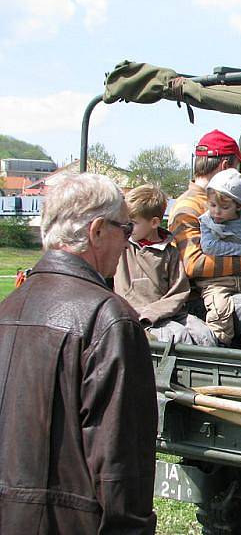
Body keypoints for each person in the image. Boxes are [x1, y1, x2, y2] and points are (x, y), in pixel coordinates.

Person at [0, 173, 157, 533]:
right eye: (125, 229)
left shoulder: (7, 308)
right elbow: (121, 469)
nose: (128, 243)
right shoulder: (109, 319)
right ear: (98, 230)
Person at [169, 129, 241, 353]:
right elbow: (193, 264)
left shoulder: (232, 203)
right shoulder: (188, 209)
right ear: (225, 167)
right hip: (208, 298)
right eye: (237, 167)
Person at [114, 183, 216, 346]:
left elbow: (179, 291)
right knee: (178, 336)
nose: (128, 228)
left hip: (168, 314)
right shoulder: (122, 247)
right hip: (137, 317)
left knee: (205, 335)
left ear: (154, 223)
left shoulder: (170, 252)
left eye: (132, 223)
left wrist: (158, 311)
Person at [197, 168, 241, 345]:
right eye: (213, 205)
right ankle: (218, 350)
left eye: (224, 207)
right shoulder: (207, 222)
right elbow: (210, 246)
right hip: (218, 282)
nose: (217, 212)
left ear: (237, 205)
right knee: (219, 311)